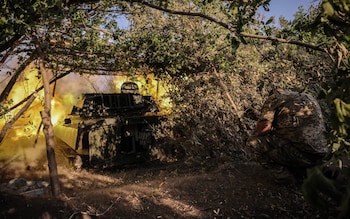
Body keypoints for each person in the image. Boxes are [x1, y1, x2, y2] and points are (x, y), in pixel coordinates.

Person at [246, 88, 330, 183]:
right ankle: (304, 172)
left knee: (253, 143)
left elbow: (263, 129)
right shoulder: (309, 98)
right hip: (323, 156)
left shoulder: (275, 98)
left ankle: (284, 176)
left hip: (302, 156)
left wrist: (256, 130)